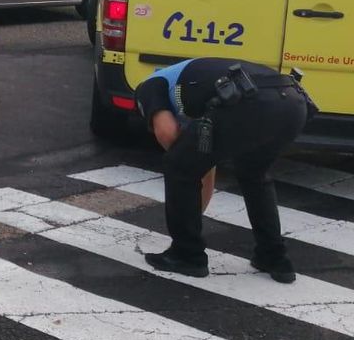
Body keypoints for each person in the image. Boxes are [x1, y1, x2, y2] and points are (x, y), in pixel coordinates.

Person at [134, 58, 314, 283]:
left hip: (249, 102)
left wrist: (187, 194)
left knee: (177, 165)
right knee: (255, 175)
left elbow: (168, 134)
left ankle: (187, 255)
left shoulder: (150, 87)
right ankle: (274, 257)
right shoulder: (192, 80)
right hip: (293, 103)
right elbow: (203, 162)